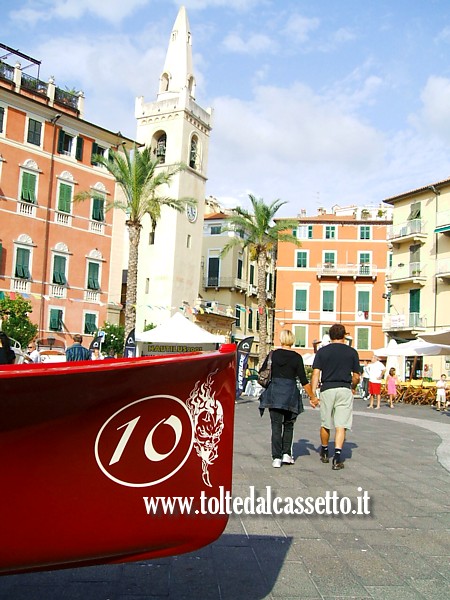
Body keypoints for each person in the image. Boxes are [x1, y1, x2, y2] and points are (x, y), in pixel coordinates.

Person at [259, 329, 316, 468]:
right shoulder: (297, 357)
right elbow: (303, 379)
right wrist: (313, 397)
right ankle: (286, 454)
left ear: (281, 339)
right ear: (293, 340)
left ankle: (276, 458)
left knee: (276, 426)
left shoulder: (273, 354)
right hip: (290, 393)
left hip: (275, 393)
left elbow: (263, 370)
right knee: (289, 425)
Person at [310, 323, 360, 471]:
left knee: (325, 422)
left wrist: (313, 395)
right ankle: (337, 456)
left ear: (330, 336)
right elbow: (356, 376)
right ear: (344, 336)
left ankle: (325, 451)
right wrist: (353, 386)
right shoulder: (352, 352)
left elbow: (315, 373)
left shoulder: (322, 352)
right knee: (341, 425)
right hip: (344, 388)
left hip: (327, 389)